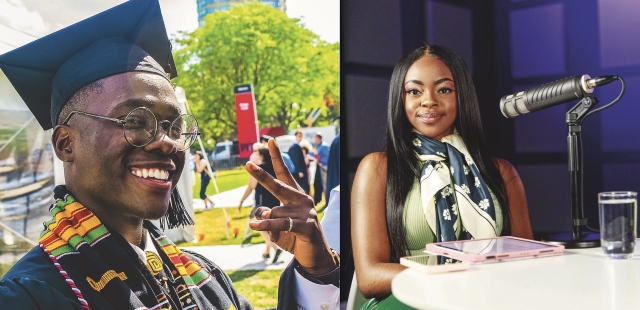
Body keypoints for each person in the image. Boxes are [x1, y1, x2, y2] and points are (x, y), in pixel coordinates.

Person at [0, 1, 339, 309]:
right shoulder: (31, 296)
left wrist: (316, 271)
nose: (167, 143)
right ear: (65, 144)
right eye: (135, 120)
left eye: (175, 127)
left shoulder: (205, 279)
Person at [351, 45, 533, 309]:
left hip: (487, 297)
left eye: (444, 89)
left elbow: (528, 262)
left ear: (462, 97)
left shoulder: (502, 173)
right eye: (415, 91)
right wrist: (451, 277)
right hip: (408, 299)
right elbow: (369, 277)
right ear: (400, 99)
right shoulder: (378, 168)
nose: (429, 100)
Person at [238, 147, 283, 263]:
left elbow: (251, 186)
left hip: (262, 202)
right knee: (269, 226)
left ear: (262, 155)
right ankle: (267, 252)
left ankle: (275, 248)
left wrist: (242, 200)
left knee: (260, 225)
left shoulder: (258, 169)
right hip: (274, 201)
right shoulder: (274, 168)